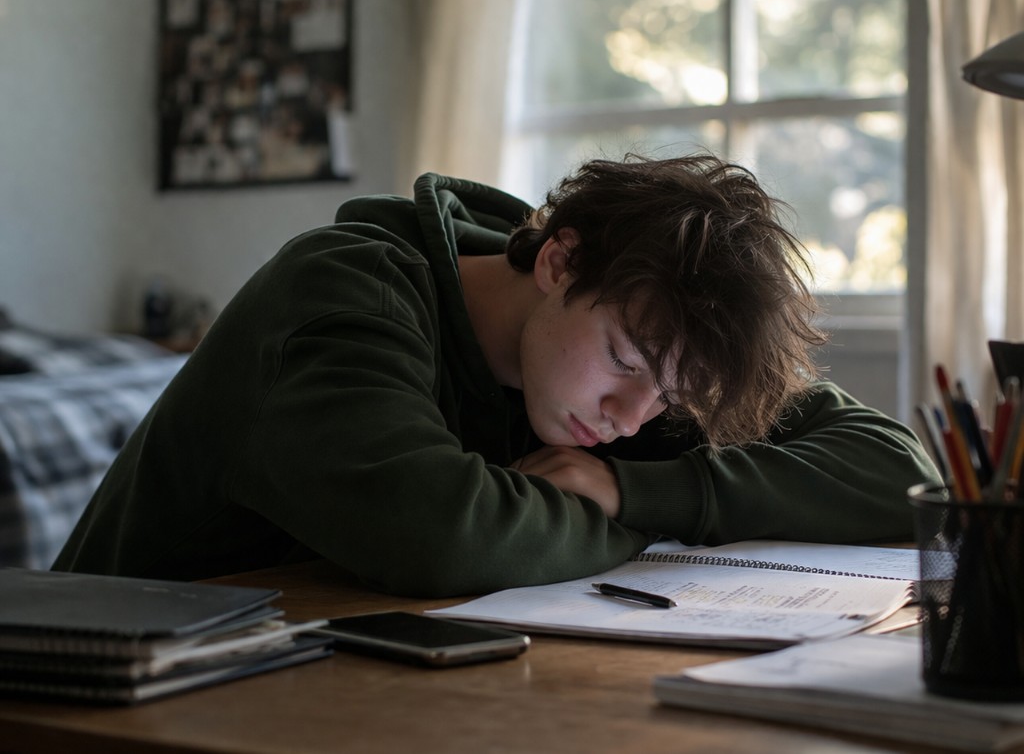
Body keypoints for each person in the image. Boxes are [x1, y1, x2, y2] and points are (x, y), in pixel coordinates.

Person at [53, 154, 939, 595]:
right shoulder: (343, 291)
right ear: (558, 260)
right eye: (625, 360)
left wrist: (633, 490)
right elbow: (442, 532)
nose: (632, 415)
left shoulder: (632, 366)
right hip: (97, 704)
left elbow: (900, 472)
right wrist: (644, 520)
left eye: (670, 395)